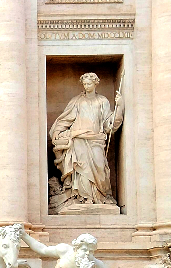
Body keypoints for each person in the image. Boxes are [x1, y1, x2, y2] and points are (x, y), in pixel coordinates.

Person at [49, 72, 123, 207]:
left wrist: (120, 108)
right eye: (84, 84)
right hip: (79, 139)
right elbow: (66, 119)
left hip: (96, 139)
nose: (87, 86)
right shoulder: (77, 101)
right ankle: (82, 198)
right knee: (81, 169)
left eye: (89, 83)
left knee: (100, 166)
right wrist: (58, 132)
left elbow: (109, 124)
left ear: (95, 83)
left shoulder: (102, 101)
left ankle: (99, 197)